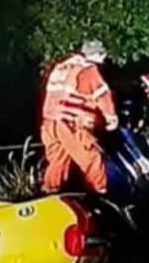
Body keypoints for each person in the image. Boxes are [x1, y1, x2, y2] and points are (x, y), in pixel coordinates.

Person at [39, 39, 119, 195]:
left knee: (58, 161)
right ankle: (101, 196)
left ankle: (48, 194)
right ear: (97, 55)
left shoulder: (61, 67)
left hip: (50, 123)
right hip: (71, 124)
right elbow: (102, 95)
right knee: (92, 160)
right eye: (103, 55)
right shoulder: (89, 70)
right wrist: (111, 120)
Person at [103, 73, 149, 201]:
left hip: (116, 139)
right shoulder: (132, 103)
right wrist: (137, 156)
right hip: (117, 142)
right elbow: (124, 130)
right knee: (134, 173)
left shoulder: (130, 101)